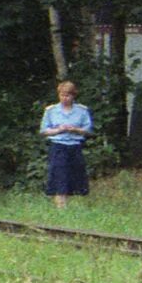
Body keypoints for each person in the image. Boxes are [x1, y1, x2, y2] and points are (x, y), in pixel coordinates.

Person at [39, 79, 93, 209]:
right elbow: (44, 131)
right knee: (59, 173)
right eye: (62, 95)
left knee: (75, 174)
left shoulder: (82, 110)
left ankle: (76, 204)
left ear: (73, 96)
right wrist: (58, 130)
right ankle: (61, 206)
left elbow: (88, 130)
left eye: (67, 95)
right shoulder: (51, 111)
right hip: (58, 146)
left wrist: (75, 129)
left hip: (75, 146)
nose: (64, 98)